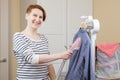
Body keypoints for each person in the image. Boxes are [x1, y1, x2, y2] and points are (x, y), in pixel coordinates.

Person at [13, 4, 72, 80]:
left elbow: (48, 63)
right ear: (27, 16)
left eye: (40, 17)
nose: (38, 19)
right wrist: (60, 55)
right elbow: (32, 59)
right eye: (35, 15)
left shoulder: (43, 38)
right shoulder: (18, 36)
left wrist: (54, 79)